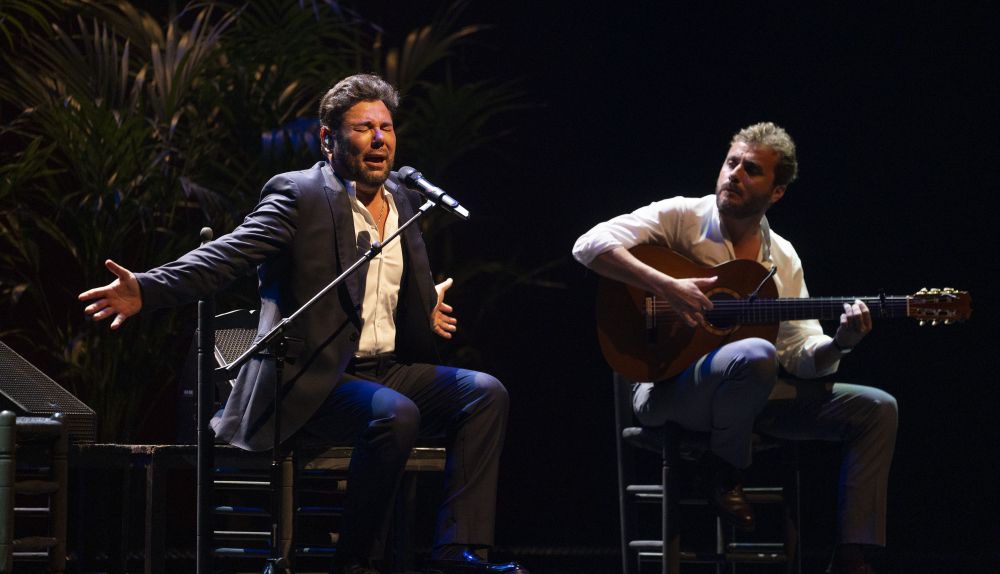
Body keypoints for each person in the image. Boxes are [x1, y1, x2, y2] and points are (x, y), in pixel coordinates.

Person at [79, 74, 527, 574]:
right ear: (328, 139)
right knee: (396, 414)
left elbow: (380, 291)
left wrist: (423, 310)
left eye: (386, 128)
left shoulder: (402, 199)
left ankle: (458, 552)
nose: (380, 139)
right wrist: (147, 287)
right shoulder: (300, 195)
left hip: (384, 371)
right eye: (364, 128)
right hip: (312, 377)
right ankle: (355, 564)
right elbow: (225, 256)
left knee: (484, 394)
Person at [572, 122, 897, 574]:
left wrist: (840, 343)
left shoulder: (781, 256)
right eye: (732, 163)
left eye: (752, 170)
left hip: (750, 396)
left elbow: (800, 352)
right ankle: (725, 471)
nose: (735, 174)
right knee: (757, 356)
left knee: (877, 408)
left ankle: (853, 555)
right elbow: (588, 245)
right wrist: (666, 286)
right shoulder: (681, 217)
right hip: (668, 391)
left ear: (777, 191)